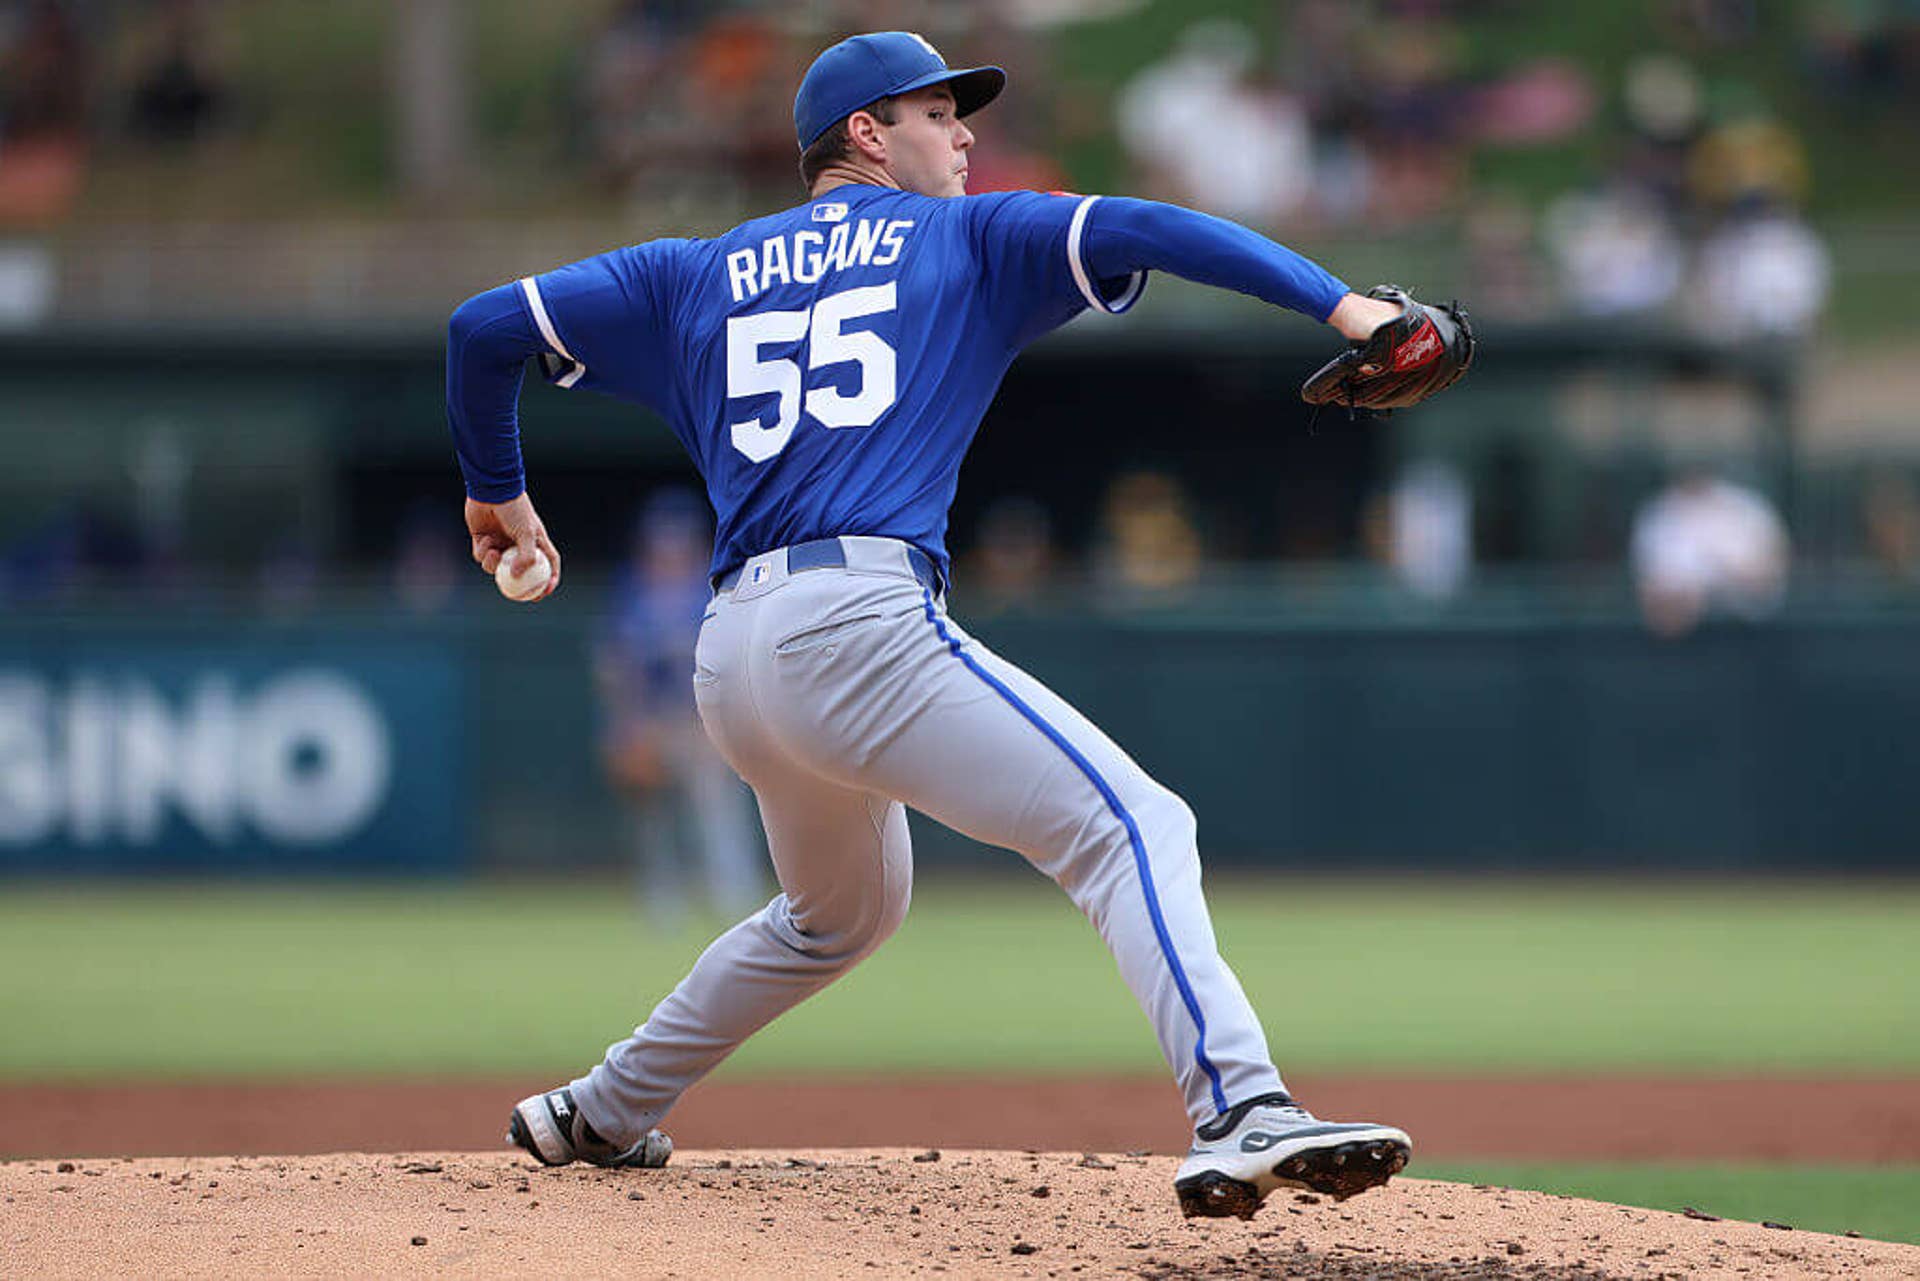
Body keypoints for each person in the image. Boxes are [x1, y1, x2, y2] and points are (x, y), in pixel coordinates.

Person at [447, 31, 1416, 1219]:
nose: (964, 136)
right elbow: (1155, 228)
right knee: (1132, 826)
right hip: (857, 622)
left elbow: (482, 330)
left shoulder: (691, 271)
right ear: (867, 133)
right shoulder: (968, 232)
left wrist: (497, 488)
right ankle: (1244, 1107)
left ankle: (602, 1110)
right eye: (938, 115)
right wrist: (1350, 308)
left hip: (735, 657)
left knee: (838, 916)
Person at [596, 489, 763, 923]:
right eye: (662, 542)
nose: (669, 551)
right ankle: (663, 902)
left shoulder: (714, 588)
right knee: (653, 819)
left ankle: (734, 899)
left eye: (678, 542)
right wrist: (625, 723)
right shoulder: (632, 592)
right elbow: (613, 663)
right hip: (652, 721)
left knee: (716, 811)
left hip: (703, 722)